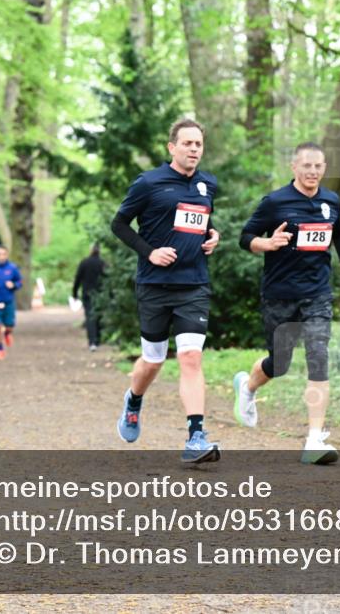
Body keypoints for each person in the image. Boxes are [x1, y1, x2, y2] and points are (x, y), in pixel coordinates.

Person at [233, 142, 340, 465]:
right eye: (306, 166)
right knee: (280, 364)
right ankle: (247, 386)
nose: (313, 172)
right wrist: (268, 243)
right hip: (279, 294)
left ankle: (314, 438)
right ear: (294, 167)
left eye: (318, 166)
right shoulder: (275, 202)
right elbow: (245, 237)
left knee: (319, 355)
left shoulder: (331, 201)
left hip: (317, 294)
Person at [110, 118, 221, 464]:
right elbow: (119, 224)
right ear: (172, 147)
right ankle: (133, 399)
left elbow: (201, 220)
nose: (193, 149)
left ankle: (195, 436)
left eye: (198, 144)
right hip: (154, 285)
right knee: (154, 360)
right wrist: (150, 252)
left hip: (194, 284)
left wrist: (212, 235)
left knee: (190, 356)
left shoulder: (207, 185)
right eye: (187, 143)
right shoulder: (149, 183)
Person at [72, 243, 107, 351]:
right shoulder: (103, 263)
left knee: (90, 317)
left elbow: (78, 278)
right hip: (100, 294)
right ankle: (97, 339)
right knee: (99, 316)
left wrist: (74, 293)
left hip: (87, 294)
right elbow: (108, 279)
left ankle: (92, 341)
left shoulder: (84, 263)